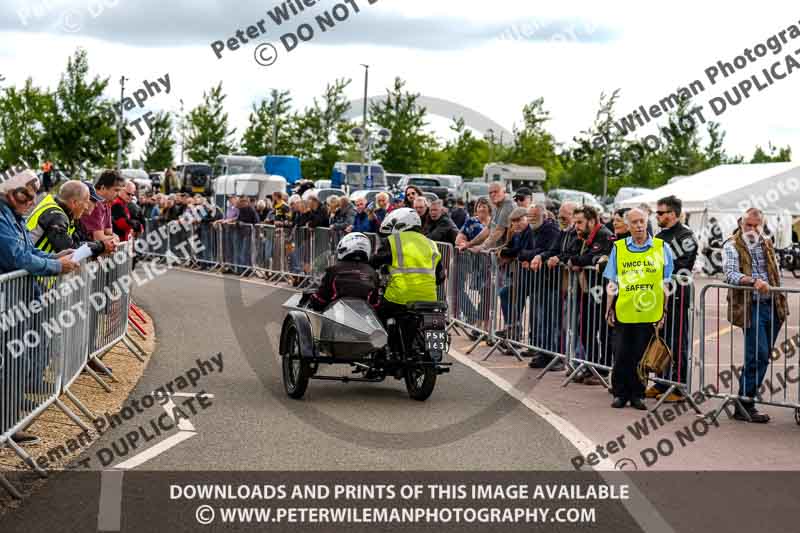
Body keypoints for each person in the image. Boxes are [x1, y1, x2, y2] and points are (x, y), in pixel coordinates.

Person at [0, 170, 80, 446]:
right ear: (12, 193)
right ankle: (6, 426)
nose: (31, 202)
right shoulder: (2, 217)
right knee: (11, 361)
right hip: (7, 303)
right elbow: (16, 258)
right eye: (27, 197)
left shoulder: (12, 215)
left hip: (17, 300)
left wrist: (54, 257)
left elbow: (28, 251)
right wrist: (57, 266)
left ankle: (9, 424)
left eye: (33, 197)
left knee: (17, 360)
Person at [604, 208, 674, 410]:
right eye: (634, 222)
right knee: (621, 354)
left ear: (647, 222)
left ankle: (638, 394)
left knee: (641, 356)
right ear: (628, 225)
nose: (639, 226)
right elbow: (612, 281)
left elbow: (665, 283)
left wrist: (664, 311)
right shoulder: (619, 248)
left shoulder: (662, 247)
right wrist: (609, 308)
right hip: (624, 310)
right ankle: (620, 393)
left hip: (650, 311)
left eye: (642, 221)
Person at [722, 208, 788, 423]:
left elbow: (775, 272)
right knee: (757, 354)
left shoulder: (767, 242)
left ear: (762, 225)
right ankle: (745, 403)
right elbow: (730, 274)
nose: (751, 229)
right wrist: (753, 281)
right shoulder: (732, 245)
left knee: (763, 355)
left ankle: (745, 402)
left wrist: (780, 296)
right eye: (748, 225)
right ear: (741, 223)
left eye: (755, 225)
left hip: (773, 305)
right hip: (751, 306)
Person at [370, 208, 446, 348]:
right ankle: (431, 350)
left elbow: (374, 262)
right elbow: (440, 277)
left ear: (400, 224)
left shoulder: (393, 241)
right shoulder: (432, 244)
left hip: (399, 297)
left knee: (377, 313)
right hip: (429, 298)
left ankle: (381, 351)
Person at [649, 195, 698, 401]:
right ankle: (661, 383)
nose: (657, 216)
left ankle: (678, 387)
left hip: (677, 296)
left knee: (677, 342)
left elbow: (682, 267)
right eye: (656, 213)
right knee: (660, 339)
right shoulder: (660, 236)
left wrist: (657, 270)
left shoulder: (686, 236)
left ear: (673, 214)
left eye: (660, 213)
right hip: (659, 296)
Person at [527, 201, 578, 370]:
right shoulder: (563, 232)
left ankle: (557, 356)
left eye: (566, 215)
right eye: (560, 215)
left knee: (559, 323)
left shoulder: (575, 233)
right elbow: (553, 249)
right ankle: (546, 352)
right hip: (553, 282)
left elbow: (570, 254)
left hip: (565, 285)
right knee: (547, 319)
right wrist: (541, 256)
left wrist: (558, 258)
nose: (562, 218)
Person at [566, 205, 614, 385]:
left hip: (602, 291)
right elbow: (568, 254)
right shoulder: (581, 236)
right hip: (587, 291)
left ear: (592, 221)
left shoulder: (605, 234)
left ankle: (602, 368)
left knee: (604, 331)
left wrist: (578, 260)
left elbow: (594, 257)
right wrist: (575, 258)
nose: (576, 226)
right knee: (585, 328)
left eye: (579, 222)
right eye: (575, 222)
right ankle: (592, 365)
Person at [26, 180, 108, 259]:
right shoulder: (56, 215)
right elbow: (69, 250)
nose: (86, 207)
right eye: (85, 202)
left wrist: (98, 248)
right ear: (74, 202)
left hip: (35, 268)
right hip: (31, 271)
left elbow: (76, 241)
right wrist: (100, 246)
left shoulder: (63, 212)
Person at [308, 232, 379, 312]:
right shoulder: (373, 273)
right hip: (364, 318)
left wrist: (312, 299)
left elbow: (321, 299)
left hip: (337, 317)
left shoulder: (333, 270)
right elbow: (375, 304)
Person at [80, 169, 123, 245]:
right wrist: (114, 238)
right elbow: (98, 238)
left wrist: (112, 238)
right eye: (116, 190)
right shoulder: (94, 204)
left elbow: (108, 232)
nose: (118, 194)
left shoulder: (106, 204)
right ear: (103, 188)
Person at [471, 181, 514, 250]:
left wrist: (482, 247)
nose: (493, 194)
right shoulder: (496, 205)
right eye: (490, 193)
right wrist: (470, 243)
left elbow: (499, 230)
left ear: (504, 191)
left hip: (504, 254)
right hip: (494, 251)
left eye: (496, 191)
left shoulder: (508, 205)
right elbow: (488, 229)